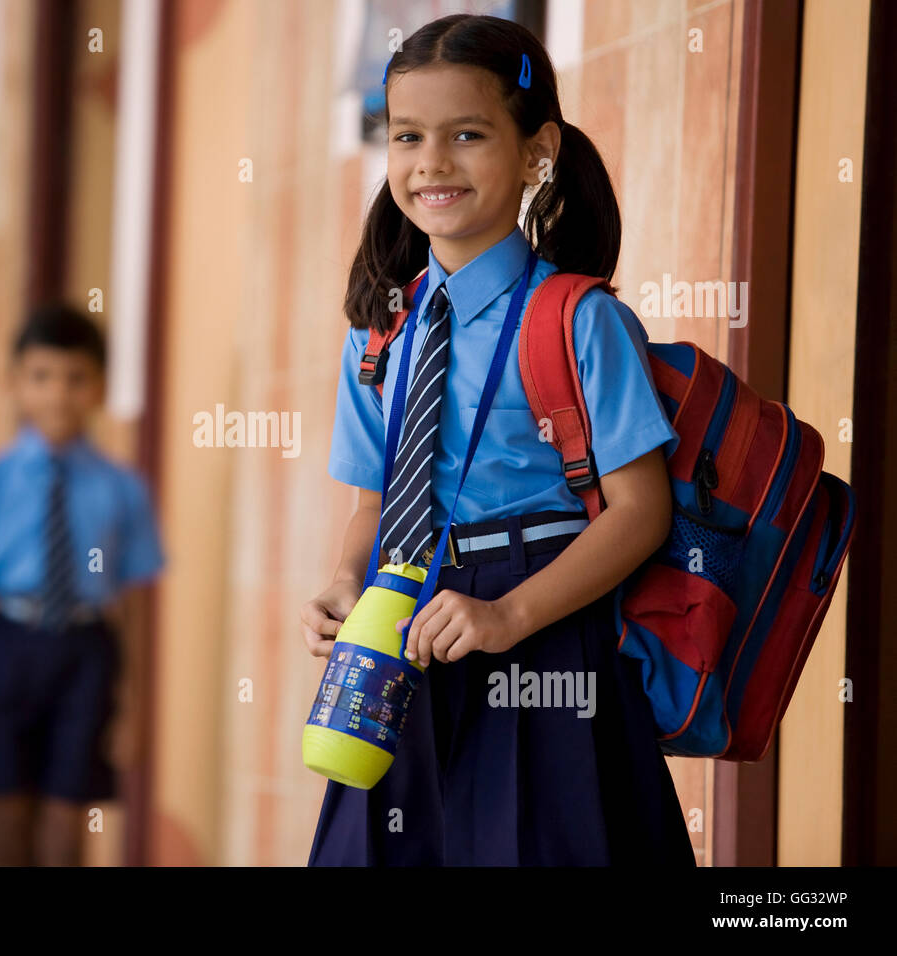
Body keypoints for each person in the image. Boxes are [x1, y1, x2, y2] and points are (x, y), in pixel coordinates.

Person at [301, 13, 696, 866]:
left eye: (467, 134)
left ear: (535, 150)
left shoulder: (581, 321)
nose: (431, 163)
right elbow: (372, 503)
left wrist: (508, 615)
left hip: (545, 635)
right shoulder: (379, 333)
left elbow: (639, 512)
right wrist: (342, 584)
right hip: (400, 638)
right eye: (407, 136)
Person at [0, 303, 164, 866]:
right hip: (10, 645)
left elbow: (135, 600)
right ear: (14, 384)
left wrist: (133, 705)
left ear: (100, 388)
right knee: (6, 805)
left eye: (76, 378)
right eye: (41, 377)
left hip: (87, 654)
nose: (58, 394)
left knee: (68, 808)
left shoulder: (121, 489)